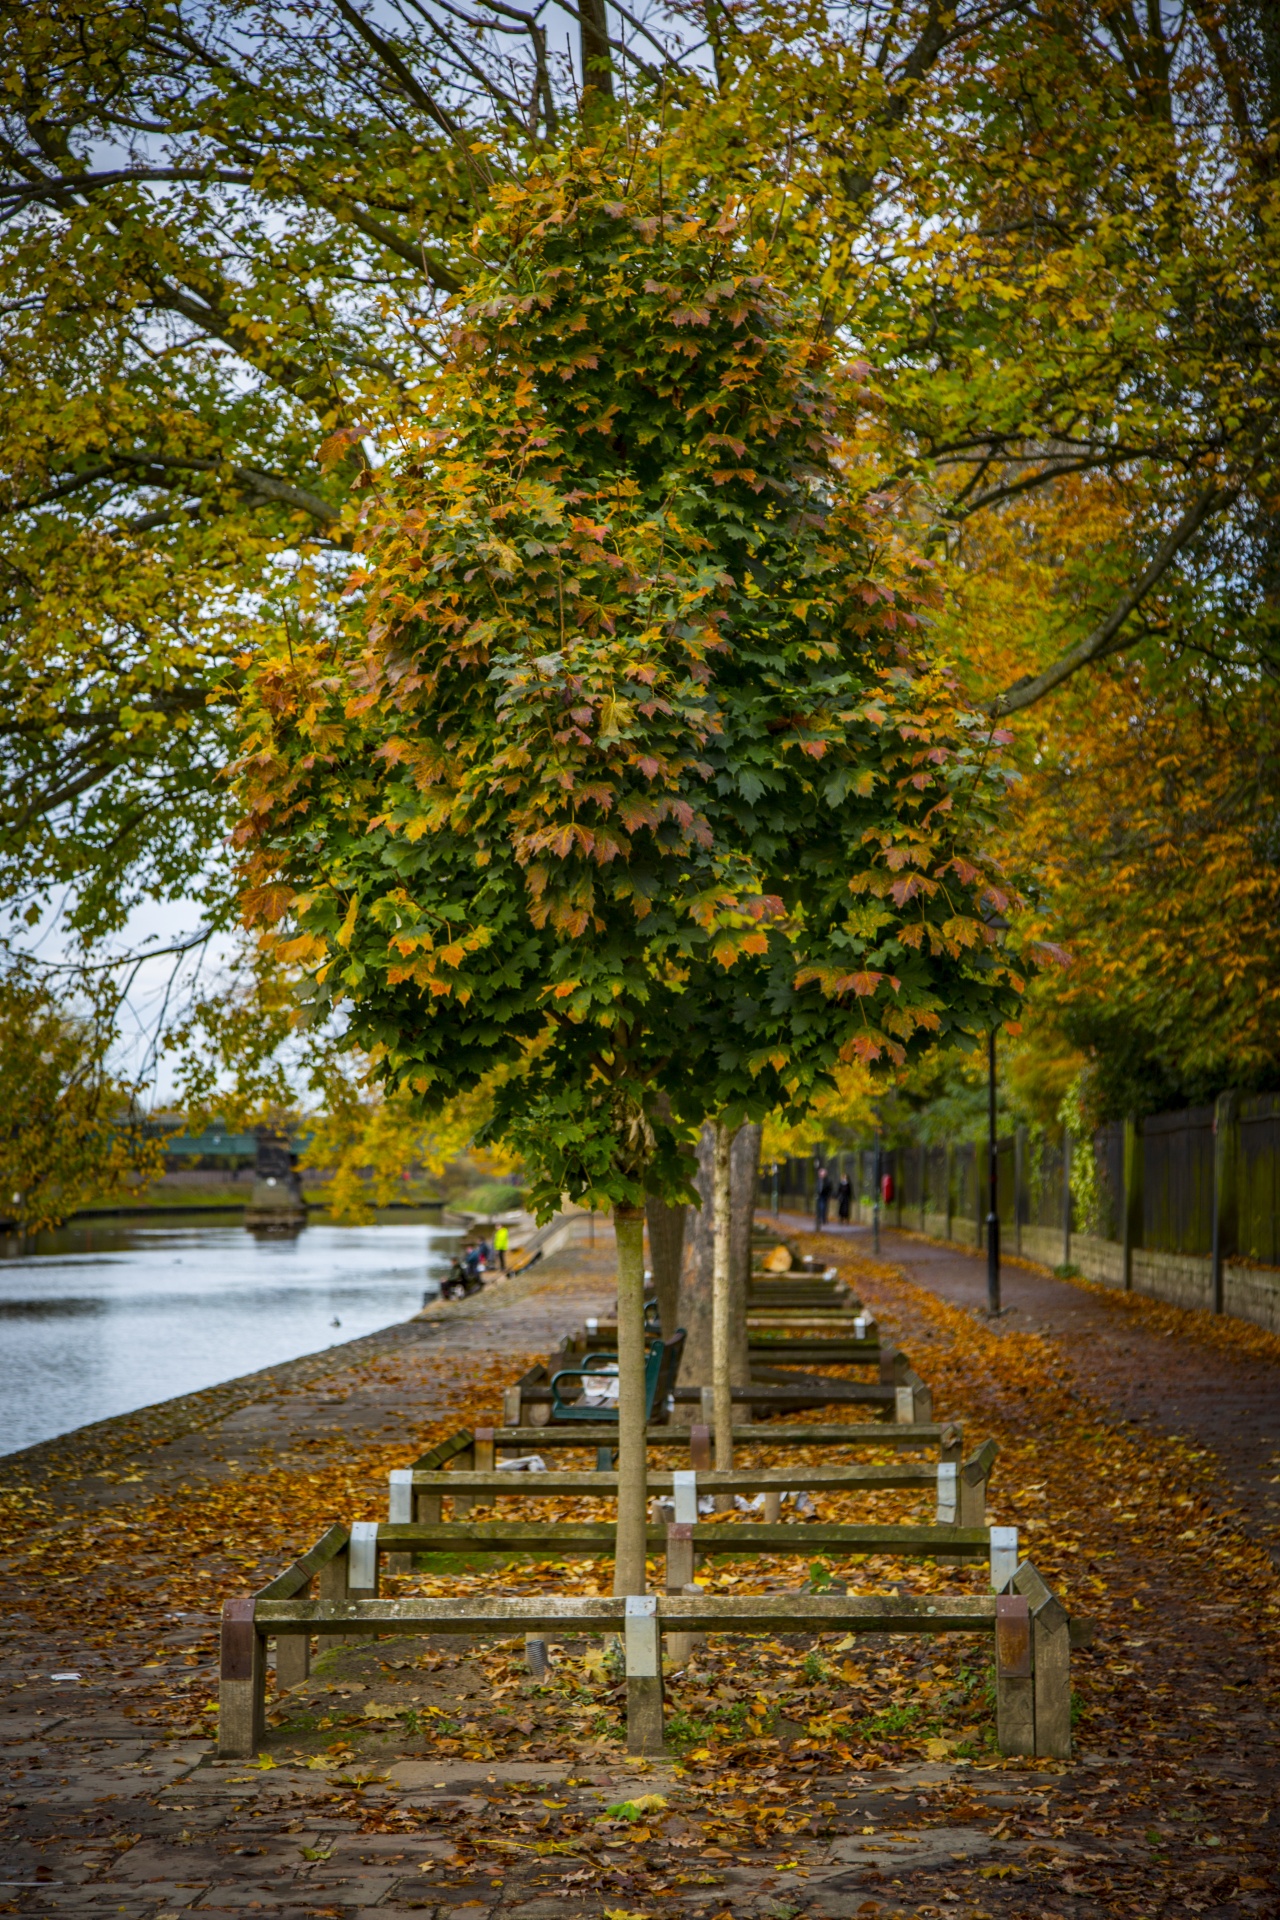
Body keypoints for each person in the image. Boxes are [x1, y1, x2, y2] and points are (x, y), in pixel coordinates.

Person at [815, 1164, 833, 1228]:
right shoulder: (819, 1180)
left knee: (823, 1207)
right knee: (820, 1208)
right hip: (819, 1196)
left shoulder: (827, 1181)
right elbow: (817, 1187)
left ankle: (823, 1219)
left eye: (822, 1174)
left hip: (824, 1196)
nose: (821, 1175)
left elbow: (830, 1189)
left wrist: (829, 1195)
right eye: (820, 1174)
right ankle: (820, 1218)